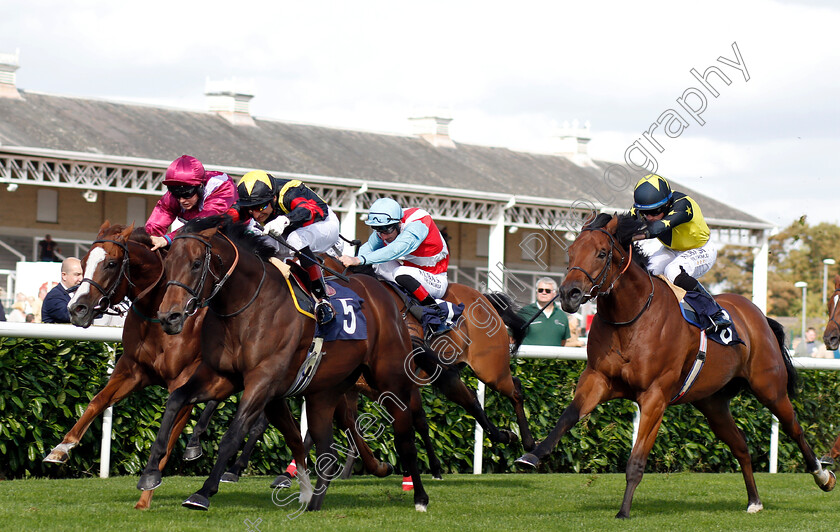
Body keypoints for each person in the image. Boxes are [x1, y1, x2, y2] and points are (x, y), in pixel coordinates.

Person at [236, 170, 341, 325]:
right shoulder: (257, 205)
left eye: (261, 206)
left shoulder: (289, 192)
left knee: (295, 239)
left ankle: (322, 300)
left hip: (321, 223)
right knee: (258, 245)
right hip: (291, 227)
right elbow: (229, 214)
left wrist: (286, 220)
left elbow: (310, 210)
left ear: (273, 198)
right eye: (251, 209)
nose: (256, 214)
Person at [630, 173, 731, 332]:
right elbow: (623, 224)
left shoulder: (683, 205)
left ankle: (715, 311)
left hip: (701, 249)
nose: (649, 217)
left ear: (667, 204)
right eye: (645, 213)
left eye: (655, 212)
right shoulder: (641, 210)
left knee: (673, 271)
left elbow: (658, 228)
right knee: (647, 271)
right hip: (671, 250)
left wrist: (630, 236)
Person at [338, 197, 451, 335]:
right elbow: (367, 248)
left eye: (386, 230)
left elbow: (396, 249)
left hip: (435, 279)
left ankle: (435, 312)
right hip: (412, 273)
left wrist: (359, 260)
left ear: (398, 223)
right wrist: (351, 264)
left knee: (400, 272)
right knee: (372, 265)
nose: (383, 236)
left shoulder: (418, 223)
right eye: (378, 230)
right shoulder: (389, 223)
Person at [145, 155, 238, 251]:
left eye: (187, 194)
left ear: (200, 186)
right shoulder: (173, 196)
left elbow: (203, 222)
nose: (181, 200)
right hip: (201, 233)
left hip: (240, 233)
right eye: (176, 195)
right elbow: (154, 226)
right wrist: (146, 241)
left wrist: (166, 239)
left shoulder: (222, 187)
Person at [518, 278, 571, 347]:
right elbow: (512, 337)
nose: (544, 293)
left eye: (548, 291)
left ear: (554, 294)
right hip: (526, 357)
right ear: (537, 292)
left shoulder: (562, 316)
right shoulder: (524, 313)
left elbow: (563, 342)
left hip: (554, 357)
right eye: (540, 290)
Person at [41, 257, 83, 323]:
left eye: (83, 274)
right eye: (77, 275)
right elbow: (70, 316)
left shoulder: (80, 294)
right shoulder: (54, 296)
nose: (81, 279)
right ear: (64, 276)